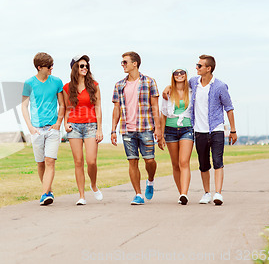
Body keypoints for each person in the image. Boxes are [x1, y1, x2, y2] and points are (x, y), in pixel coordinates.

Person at [162, 55, 237, 205]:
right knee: (203, 163)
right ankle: (207, 193)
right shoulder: (194, 83)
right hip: (198, 129)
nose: (196, 68)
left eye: (199, 66)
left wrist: (233, 130)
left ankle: (218, 194)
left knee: (217, 161)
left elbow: (229, 108)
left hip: (216, 128)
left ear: (208, 69)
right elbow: (178, 84)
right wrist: (168, 87)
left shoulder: (220, 86)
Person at [111, 51, 163, 205]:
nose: (123, 65)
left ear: (135, 64)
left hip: (146, 127)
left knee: (150, 161)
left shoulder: (149, 82)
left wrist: (158, 128)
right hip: (127, 129)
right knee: (132, 161)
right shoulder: (119, 85)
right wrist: (113, 130)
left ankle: (151, 180)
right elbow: (116, 109)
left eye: (125, 62)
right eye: (122, 62)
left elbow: (155, 106)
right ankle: (138, 194)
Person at [21, 52, 65, 206]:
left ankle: (44, 194)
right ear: (39, 68)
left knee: (49, 161)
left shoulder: (57, 82)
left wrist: (59, 122)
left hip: (53, 128)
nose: (52, 68)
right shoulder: (29, 83)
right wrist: (30, 127)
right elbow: (24, 106)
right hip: (37, 130)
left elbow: (63, 104)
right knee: (40, 163)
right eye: (49, 66)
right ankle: (49, 191)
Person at [62, 55, 104, 206]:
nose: (85, 68)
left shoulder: (94, 85)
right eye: (81, 66)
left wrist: (100, 128)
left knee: (91, 161)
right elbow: (67, 108)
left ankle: (93, 185)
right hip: (74, 126)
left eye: (86, 66)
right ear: (75, 68)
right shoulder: (67, 87)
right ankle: (81, 196)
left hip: (91, 125)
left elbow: (98, 108)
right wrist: (65, 124)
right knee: (78, 161)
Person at [159, 68, 194, 205]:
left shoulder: (192, 91)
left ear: (186, 75)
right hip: (170, 130)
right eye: (176, 73)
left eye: (182, 73)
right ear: (172, 76)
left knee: (183, 162)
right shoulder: (167, 93)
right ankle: (181, 194)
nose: (179, 75)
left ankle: (184, 193)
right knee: (175, 164)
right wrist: (161, 135)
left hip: (187, 128)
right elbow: (163, 114)